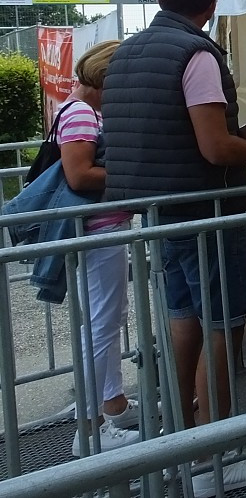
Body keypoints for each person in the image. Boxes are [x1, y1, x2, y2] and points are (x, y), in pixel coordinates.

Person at [102, 0, 246, 497]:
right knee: (223, 325)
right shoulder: (197, 53)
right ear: (210, 7)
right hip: (203, 212)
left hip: (157, 212)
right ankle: (215, 453)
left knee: (184, 319)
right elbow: (214, 146)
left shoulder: (126, 52)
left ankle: (179, 444)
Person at [55, 40, 142, 456]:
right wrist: (129, 173)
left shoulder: (79, 110)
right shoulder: (83, 114)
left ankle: (112, 406)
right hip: (98, 231)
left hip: (99, 230)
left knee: (105, 322)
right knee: (102, 328)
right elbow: (79, 175)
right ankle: (89, 431)